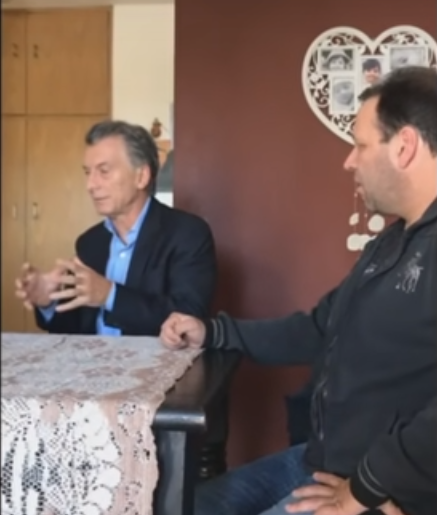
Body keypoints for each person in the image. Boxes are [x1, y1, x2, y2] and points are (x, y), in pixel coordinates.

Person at [160, 66, 437, 515]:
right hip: (322, 464)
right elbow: (319, 328)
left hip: (377, 486)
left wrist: (369, 486)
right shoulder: (390, 242)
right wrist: (213, 332)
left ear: (404, 146)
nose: (349, 161)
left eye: (361, 145)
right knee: (180, 506)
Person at [15, 120, 217, 335]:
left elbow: (188, 318)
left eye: (104, 171)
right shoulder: (89, 243)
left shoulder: (188, 234)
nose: (91, 185)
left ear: (141, 177)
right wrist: (48, 302)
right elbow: (75, 332)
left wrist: (110, 295)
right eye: (87, 172)